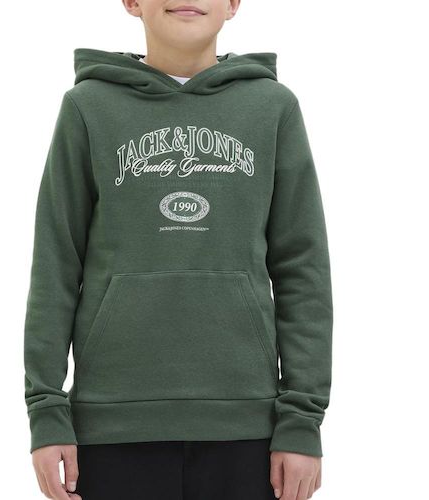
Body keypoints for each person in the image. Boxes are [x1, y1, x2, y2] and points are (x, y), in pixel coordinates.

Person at [23, 1, 334, 499]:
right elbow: (56, 264)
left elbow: (303, 268)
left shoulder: (272, 107)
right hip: (111, 425)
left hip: (248, 425)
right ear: (132, 2)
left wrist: (302, 419)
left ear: (233, 4)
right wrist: (46, 412)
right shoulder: (88, 107)